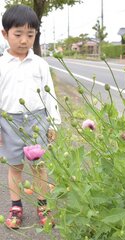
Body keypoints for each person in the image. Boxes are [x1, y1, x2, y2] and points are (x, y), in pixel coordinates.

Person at [0, 4, 61, 229]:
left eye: (30, 34)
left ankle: (43, 205)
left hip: (37, 120)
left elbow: (50, 94)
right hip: (8, 122)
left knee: (39, 166)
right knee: (15, 167)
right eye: (18, 34)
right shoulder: (1, 66)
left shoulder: (40, 64)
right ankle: (15, 206)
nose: (24, 40)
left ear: (36, 35)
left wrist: (53, 122)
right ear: (5, 34)